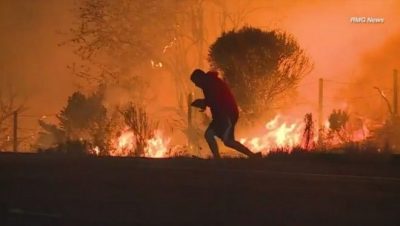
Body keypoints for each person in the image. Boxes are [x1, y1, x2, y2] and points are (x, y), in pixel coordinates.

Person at [190, 69, 261, 159]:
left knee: (226, 140)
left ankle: (252, 156)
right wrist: (204, 104)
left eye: (196, 82)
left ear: (200, 78)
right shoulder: (208, 83)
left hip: (227, 114)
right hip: (220, 116)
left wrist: (203, 102)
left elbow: (215, 99)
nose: (196, 85)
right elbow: (213, 100)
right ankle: (218, 159)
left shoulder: (212, 83)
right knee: (212, 135)